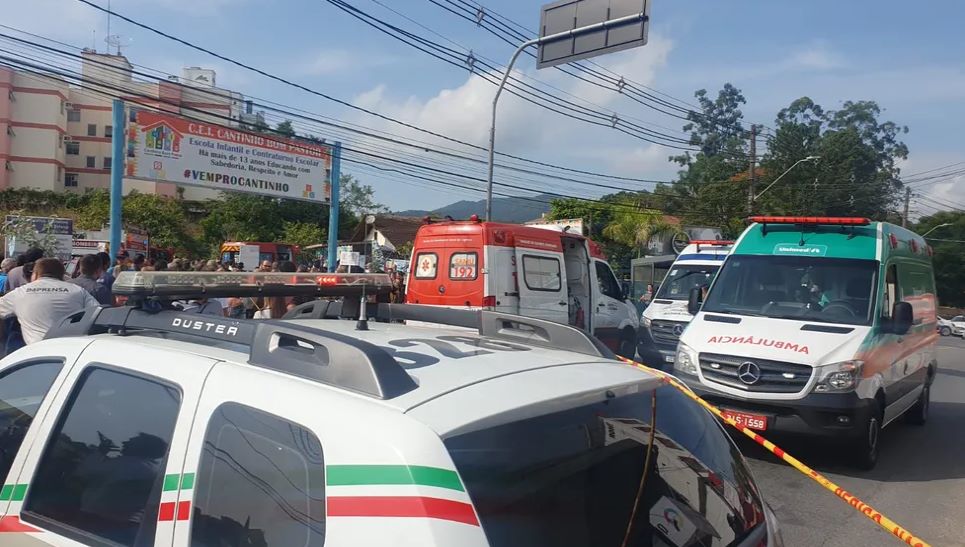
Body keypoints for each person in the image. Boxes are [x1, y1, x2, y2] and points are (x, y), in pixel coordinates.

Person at [0, 258, 99, 345]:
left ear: (35, 274)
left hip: (35, 355)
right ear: (62, 275)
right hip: (70, 351)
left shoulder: (21, 292)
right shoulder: (78, 291)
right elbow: (97, 313)